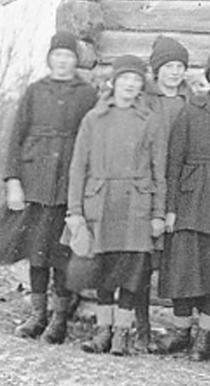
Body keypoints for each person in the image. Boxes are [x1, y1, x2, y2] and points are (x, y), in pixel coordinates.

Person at [0, 31, 98, 344]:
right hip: (36, 181)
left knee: (63, 253)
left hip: (69, 182)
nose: (62, 61)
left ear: (75, 61)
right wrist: (13, 181)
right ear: (49, 58)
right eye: (57, 55)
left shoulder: (87, 94)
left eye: (68, 56)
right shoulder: (34, 91)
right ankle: (37, 314)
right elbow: (16, 137)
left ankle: (59, 319)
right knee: (37, 251)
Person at [66, 55, 167, 355]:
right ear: (114, 82)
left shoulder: (150, 120)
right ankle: (103, 331)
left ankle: (122, 333)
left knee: (131, 271)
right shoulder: (94, 119)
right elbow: (77, 168)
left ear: (141, 87)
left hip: (136, 204)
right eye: (125, 79)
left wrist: (158, 213)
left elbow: (158, 170)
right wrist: (75, 212)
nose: (130, 85)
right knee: (104, 269)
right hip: (101, 202)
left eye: (136, 81)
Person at [155, 46, 210, 360]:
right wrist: (171, 207)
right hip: (191, 197)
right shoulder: (192, 109)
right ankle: (181, 333)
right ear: (209, 77)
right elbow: (174, 159)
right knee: (184, 267)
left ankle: (206, 336)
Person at [132, 35, 199, 354]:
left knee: (177, 261)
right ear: (157, 70)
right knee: (143, 262)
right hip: (149, 185)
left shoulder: (192, 100)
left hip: (181, 190)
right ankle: (141, 327)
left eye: (179, 67)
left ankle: (183, 329)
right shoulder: (146, 99)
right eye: (168, 66)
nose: (174, 72)